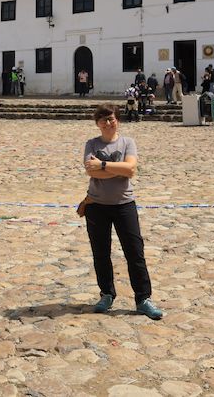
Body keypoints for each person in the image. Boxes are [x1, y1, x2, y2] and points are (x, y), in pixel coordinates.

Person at [78, 104, 163, 320]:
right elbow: (91, 170)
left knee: (134, 252)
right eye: (104, 119)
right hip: (96, 206)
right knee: (101, 253)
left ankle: (143, 298)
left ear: (118, 120)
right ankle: (106, 294)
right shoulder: (91, 144)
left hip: (124, 204)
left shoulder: (128, 143)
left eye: (112, 118)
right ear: (97, 123)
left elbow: (131, 170)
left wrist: (103, 166)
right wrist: (117, 169)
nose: (108, 123)